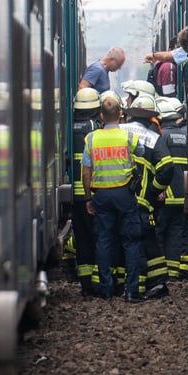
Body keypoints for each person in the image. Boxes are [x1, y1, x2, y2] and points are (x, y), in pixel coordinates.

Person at [81, 92, 145, 302]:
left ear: (101, 115)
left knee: (103, 240)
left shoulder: (91, 138)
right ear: (120, 114)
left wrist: (89, 198)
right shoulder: (128, 137)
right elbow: (143, 152)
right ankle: (131, 290)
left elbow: (86, 172)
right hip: (124, 195)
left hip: (101, 196)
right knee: (131, 240)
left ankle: (106, 289)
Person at [121, 94, 175, 300]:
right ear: (152, 118)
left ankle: (124, 284)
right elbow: (167, 167)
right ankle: (156, 283)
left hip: (116, 196)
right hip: (142, 200)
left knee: (122, 239)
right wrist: (153, 189)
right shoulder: (154, 138)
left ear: (130, 114)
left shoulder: (118, 132)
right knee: (148, 240)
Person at [155, 97, 188, 280]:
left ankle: (161, 271)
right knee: (177, 232)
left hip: (165, 194)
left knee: (160, 232)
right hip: (182, 195)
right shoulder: (185, 135)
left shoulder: (162, 136)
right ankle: (174, 272)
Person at [68, 87, 102, 297]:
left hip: (73, 195)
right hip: (91, 194)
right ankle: (99, 281)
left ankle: (86, 285)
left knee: (81, 239)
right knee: (98, 237)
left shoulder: (68, 126)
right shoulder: (93, 129)